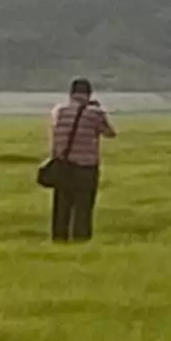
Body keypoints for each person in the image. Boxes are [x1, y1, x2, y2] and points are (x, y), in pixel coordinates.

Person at [43, 78, 114, 242]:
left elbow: (55, 136)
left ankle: (59, 240)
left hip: (62, 165)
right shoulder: (94, 113)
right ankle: (80, 241)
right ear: (89, 94)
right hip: (86, 167)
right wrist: (98, 109)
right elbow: (110, 133)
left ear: (71, 94)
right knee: (83, 207)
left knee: (61, 207)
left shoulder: (60, 112)